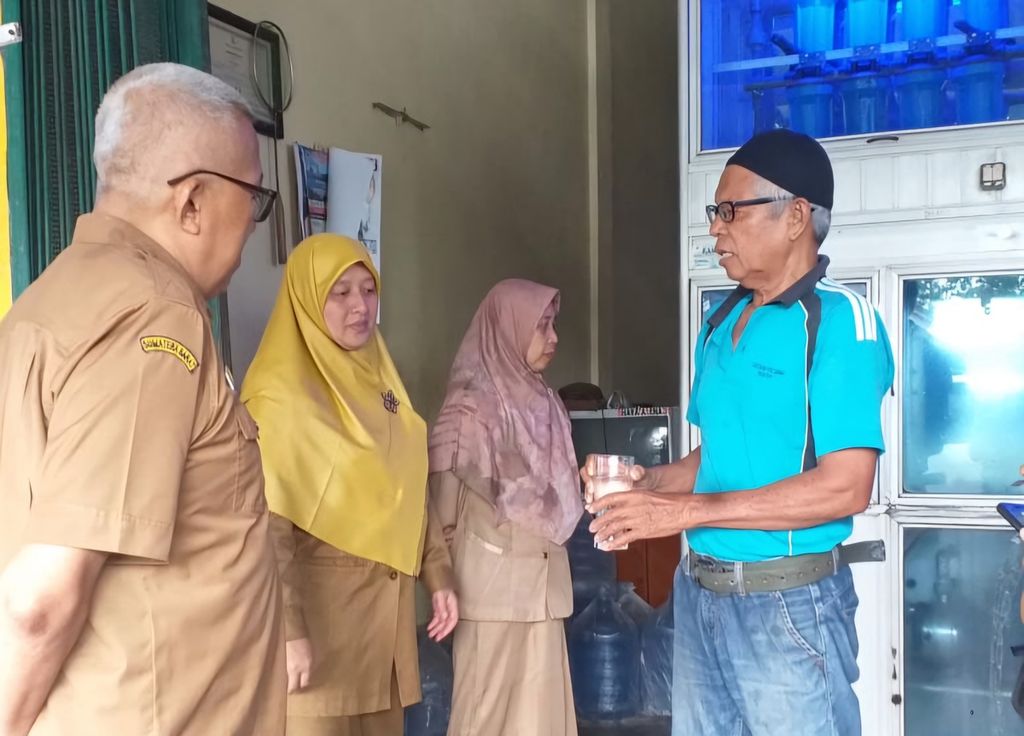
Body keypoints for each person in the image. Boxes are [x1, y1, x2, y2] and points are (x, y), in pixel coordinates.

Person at [0, 63, 284, 735]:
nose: (251, 227)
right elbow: (41, 599)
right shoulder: (155, 317)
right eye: (255, 199)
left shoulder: (44, 303)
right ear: (191, 202)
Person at [587, 129, 894, 736]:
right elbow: (717, 456)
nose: (716, 229)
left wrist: (684, 513)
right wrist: (652, 483)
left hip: (789, 604)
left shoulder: (839, 323)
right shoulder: (720, 319)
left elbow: (845, 487)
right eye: (714, 213)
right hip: (700, 596)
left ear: (796, 217)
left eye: (731, 211)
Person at [241, 234, 458, 736]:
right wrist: (289, 631)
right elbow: (270, 532)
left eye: (368, 290)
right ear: (308, 300)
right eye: (339, 293)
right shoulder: (278, 398)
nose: (359, 307)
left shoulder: (384, 386)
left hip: (383, 641)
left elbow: (406, 489)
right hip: (319, 645)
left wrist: (438, 573)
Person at [429, 279, 583, 736]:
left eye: (553, 325)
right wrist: (447, 585)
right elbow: (441, 520)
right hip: (492, 597)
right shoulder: (468, 411)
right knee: (485, 719)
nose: (552, 338)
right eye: (541, 327)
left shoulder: (548, 406)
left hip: (545, 592)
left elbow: (560, 497)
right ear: (508, 329)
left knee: (544, 721)